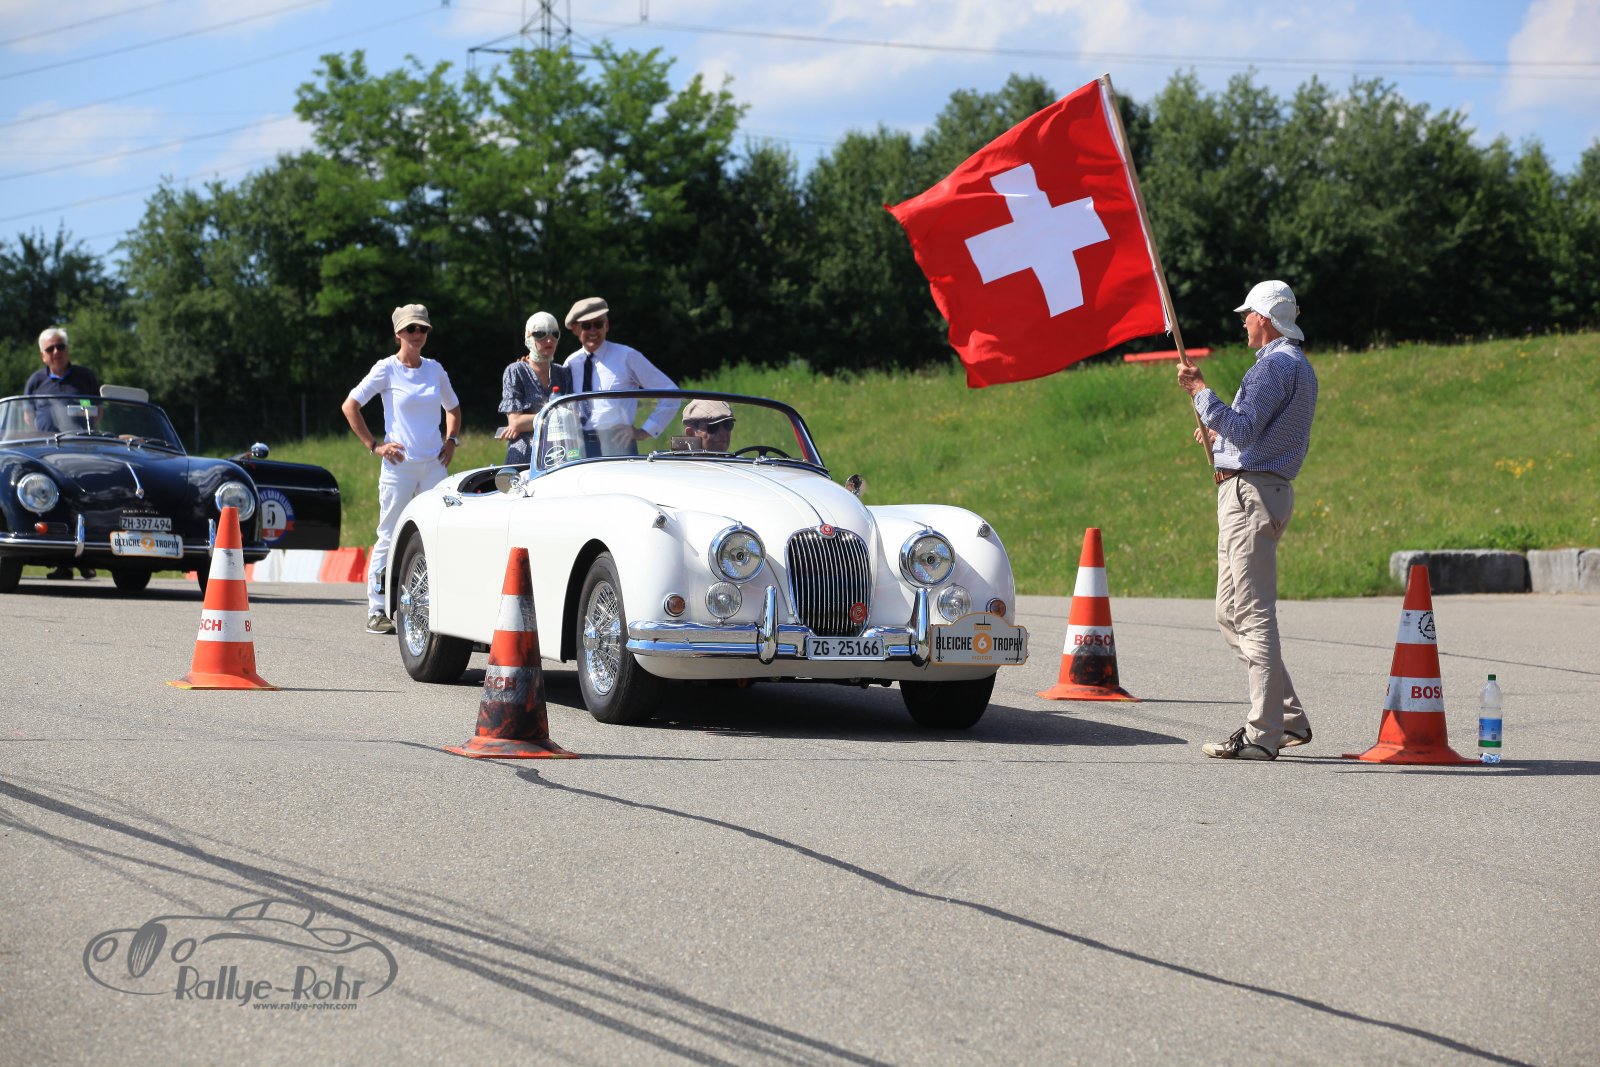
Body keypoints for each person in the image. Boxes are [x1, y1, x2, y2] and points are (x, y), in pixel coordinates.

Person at [1177, 279, 1319, 761]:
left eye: (1247, 315)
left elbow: (1242, 427)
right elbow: (1255, 435)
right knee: (1229, 613)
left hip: (1250, 496)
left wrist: (1201, 393)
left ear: (1265, 318)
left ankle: (1263, 733)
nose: (1243, 322)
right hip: (1259, 489)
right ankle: (1288, 718)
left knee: (1252, 614)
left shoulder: (1272, 367)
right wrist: (1218, 439)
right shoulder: (1298, 366)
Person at [341, 304, 462, 635]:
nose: (417, 335)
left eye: (422, 329)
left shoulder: (435, 369)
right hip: (399, 467)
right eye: (411, 329)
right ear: (398, 334)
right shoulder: (386, 369)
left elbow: (453, 407)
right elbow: (350, 406)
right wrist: (374, 445)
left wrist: (451, 440)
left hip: (434, 465)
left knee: (438, 531)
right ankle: (377, 609)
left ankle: (435, 606)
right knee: (389, 533)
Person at [26, 327, 101, 579]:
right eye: (50, 349)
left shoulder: (84, 377)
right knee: (55, 503)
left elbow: (97, 411)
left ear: (68, 350)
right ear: (43, 355)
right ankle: (63, 564)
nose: (56, 352)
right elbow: (27, 416)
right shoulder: (36, 381)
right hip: (47, 452)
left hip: (80, 449)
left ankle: (87, 559)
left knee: (85, 499)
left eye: (60, 346)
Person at [561, 297, 678, 455]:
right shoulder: (570, 363)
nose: (593, 331)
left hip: (618, 444)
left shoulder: (626, 356)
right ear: (575, 329)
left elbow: (671, 393)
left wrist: (644, 431)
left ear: (607, 325)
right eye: (586, 326)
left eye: (598, 324)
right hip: (579, 446)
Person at [497, 311, 572, 465]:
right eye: (540, 334)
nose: (549, 339)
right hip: (524, 458)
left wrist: (528, 422)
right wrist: (558, 418)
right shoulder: (516, 371)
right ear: (529, 337)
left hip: (560, 455)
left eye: (555, 334)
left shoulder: (563, 373)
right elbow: (515, 422)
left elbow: (573, 419)